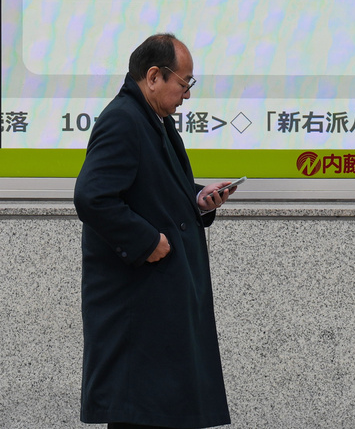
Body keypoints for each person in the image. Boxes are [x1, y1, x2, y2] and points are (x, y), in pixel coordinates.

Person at [74, 33, 236, 429]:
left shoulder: (154, 122)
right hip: (137, 307)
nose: (187, 95)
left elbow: (153, 192)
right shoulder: (123, 120)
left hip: (157, 304)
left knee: (163, 413)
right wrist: (147, 241)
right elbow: (92, 196)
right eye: (184, 83)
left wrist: (198, 200)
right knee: (141, 414)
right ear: (153, 76)